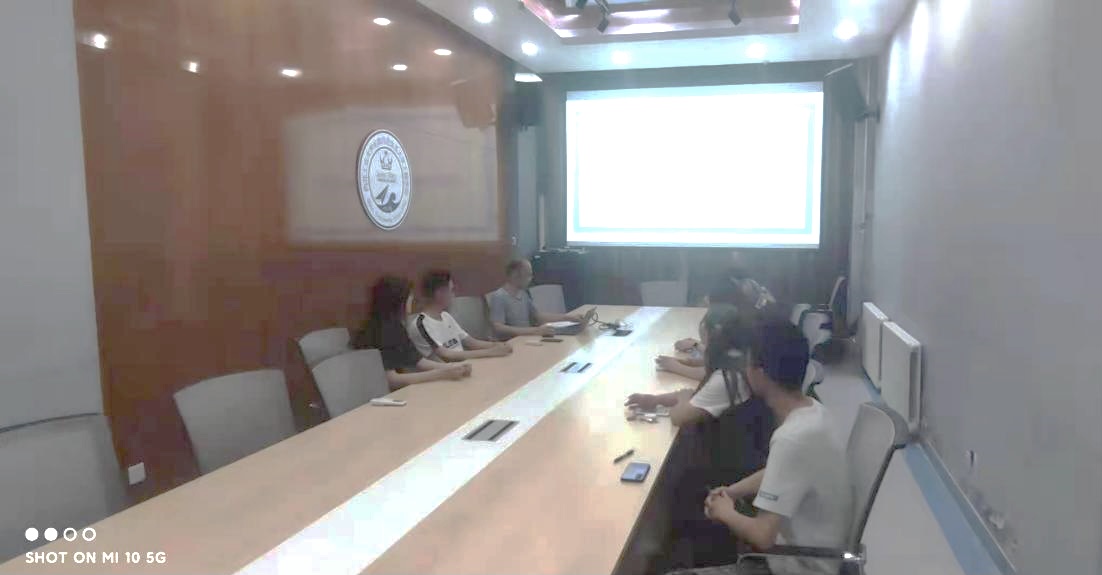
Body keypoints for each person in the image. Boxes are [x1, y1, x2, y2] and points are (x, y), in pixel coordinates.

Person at [670, 320, 853, 575]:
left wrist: (725, 512)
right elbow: (782, 471)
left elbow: (763, 536)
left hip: (796, 567)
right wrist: (733, 491)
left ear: (760, 373)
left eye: (747, 363)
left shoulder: (791, 438)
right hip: (815, 554)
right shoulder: (815, 412)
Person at [625, 305, 754, 428]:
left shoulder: (726, 377)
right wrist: (656, 399)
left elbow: (678, 417)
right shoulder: (737, 358)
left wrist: (683, 398)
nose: (702, 346)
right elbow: (700, 396)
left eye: (704, 342)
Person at [351, 276, 472, 389]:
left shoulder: (397, 327)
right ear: (398, 302)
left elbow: (418, 361)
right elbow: (391, 379)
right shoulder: (381, 331)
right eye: (410, 299)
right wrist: (441, 374)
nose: (411, 303)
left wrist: (451, 367)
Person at [408, 270, 513, 361]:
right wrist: (491, 352)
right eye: (451, 290)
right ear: (439, 293)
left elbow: (471, 342)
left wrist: (497, 345)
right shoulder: (421, 324)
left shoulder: (446, 316)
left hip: (466, 365)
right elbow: (446, 355)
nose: (454, 295)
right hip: (449, 372)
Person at [488, 259, 591, 338]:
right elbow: (498, 327)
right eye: (528, 275)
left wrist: (568, 318)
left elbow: (538, 317)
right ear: (515, 275)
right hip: (513, 342)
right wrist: (535, 331)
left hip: (528, 338)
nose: (531, 278)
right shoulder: (499, 296)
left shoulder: (523, 294)